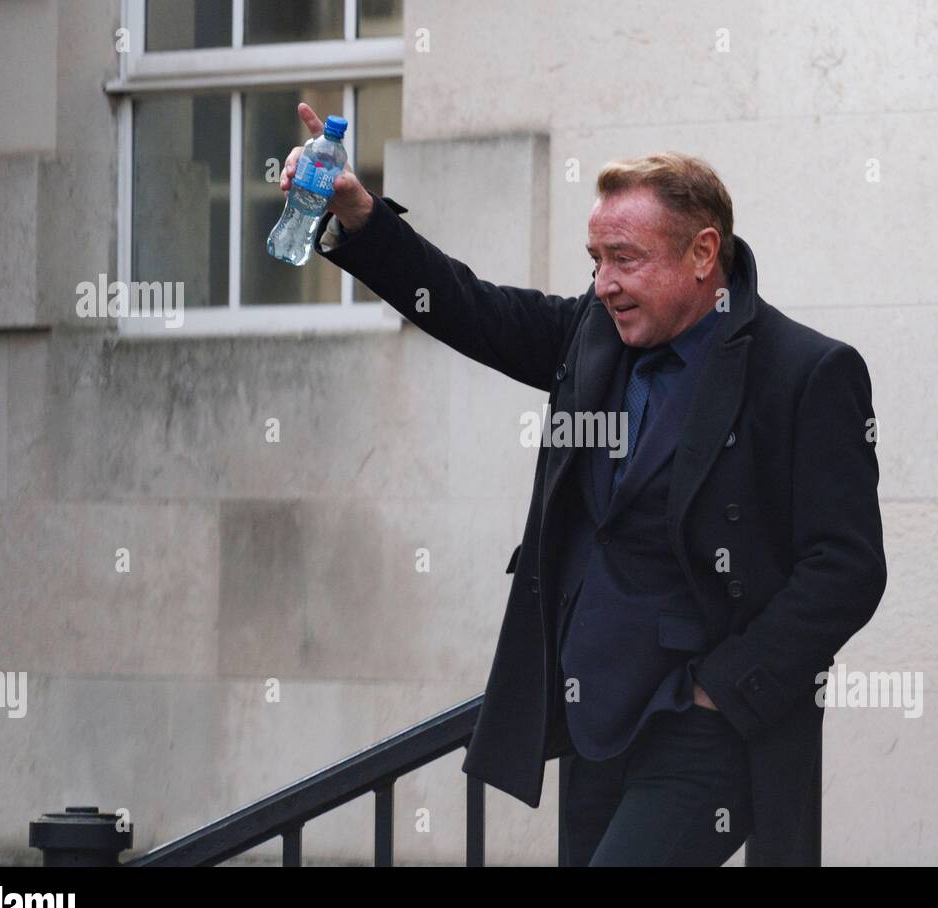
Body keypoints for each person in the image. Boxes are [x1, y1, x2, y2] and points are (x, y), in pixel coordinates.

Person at [282, 102, 887, 866]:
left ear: (704, 255)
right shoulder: (590, 338)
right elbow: (469, 307)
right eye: (594, 258)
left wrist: (726, 689)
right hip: (594, 718)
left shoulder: (806, 372)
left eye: (624, 258)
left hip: (709, 731)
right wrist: (363, 217)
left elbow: (848, 568)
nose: (602, 283)